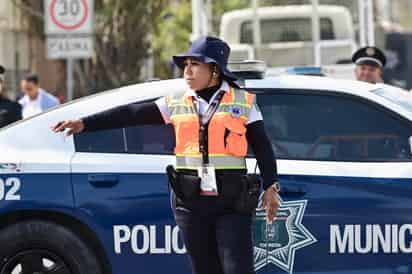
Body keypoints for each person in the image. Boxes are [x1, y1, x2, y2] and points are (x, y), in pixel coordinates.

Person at [51, 36, 280, 274]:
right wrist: (84, 124)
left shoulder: (243, 102)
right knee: (204, 269)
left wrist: (271, 186)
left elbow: (263, 147)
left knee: (237, 269)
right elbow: (131, 115)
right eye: (185, 65)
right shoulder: (177, 102)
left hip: (231, 201)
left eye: (195, 64)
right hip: (191, 200)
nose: (187, 71)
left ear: (214, 70)